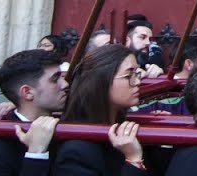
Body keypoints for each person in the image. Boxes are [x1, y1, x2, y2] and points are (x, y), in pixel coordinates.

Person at [54, 44, 149, 175]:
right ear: (101, 82)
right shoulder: (77, 150)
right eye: (128, 76)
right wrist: (133, 161)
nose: (138, 82)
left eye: (137, 73)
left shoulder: (122, 127)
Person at [0, 48, 68, 176]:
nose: (65, 84)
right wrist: (35, 155)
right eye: (55, 79)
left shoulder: (69, 125)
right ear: (27, 92)